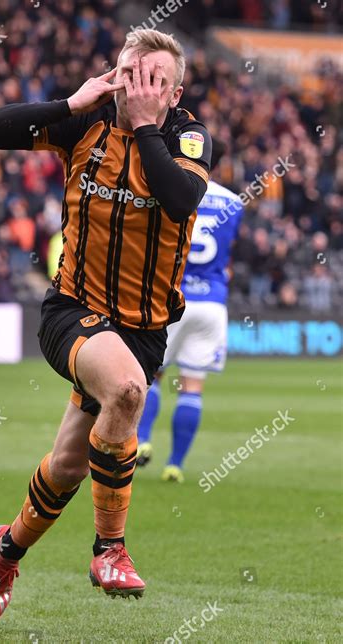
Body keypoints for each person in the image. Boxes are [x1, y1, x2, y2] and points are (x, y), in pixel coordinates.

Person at [0, 28, 211, 620]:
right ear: (114, 75)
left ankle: (8, 550)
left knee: (68, 465)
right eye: (131, 73)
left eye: (154, 78)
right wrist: (69, 104)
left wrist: (150, 126)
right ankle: (109, 549)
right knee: (127, 392)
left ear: (174, 90)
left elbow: (179, 200)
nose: (139, 87)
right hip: (72, 310)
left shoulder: (190, 137)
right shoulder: (85, 125)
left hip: (143, 330)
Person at [136, 141, 243, 482]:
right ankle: (176, 465)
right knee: (192, 386)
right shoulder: (234, 202)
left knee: (152, 375)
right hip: (212, 303)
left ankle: (142, 441)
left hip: (172, 298)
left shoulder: (176, 189)